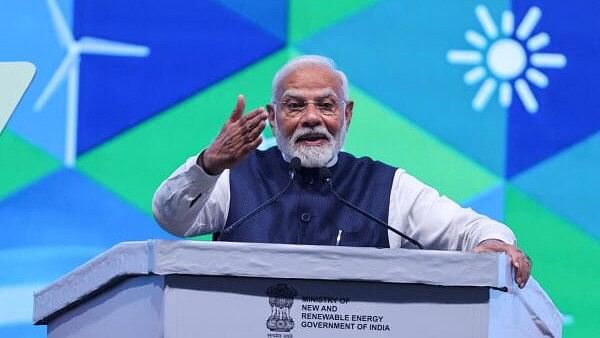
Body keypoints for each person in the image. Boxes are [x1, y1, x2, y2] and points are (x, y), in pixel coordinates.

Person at [152, 55, 532, 288]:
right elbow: (170, 218)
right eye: (295, 105)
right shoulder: (234, 176)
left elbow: (472, 230)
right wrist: (208, 165)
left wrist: (493, 242)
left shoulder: (386, 187)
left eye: (326, 105)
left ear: (347, 115)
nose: (312, 118)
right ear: (272, 117)